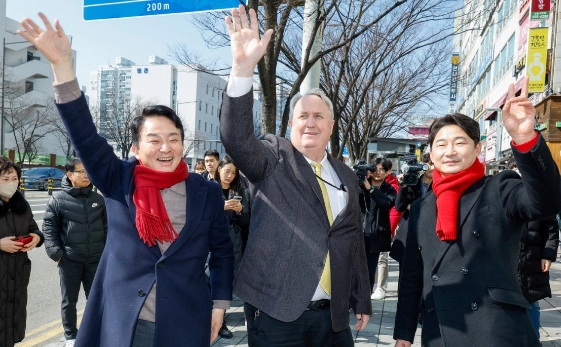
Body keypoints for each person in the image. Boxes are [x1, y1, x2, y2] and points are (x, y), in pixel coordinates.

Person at [18, 14, 234, 347]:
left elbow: (222, 252)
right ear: (135, 147)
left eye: (174, 138)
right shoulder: (118, 179)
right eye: (155, 139)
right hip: (123, 325)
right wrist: (62, 66)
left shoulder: (204, 192)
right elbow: (85, 136)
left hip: (185, 322)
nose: (166, 147)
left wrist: (220, 304)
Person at [220, 5, 372, 346]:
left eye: (319, 116)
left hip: (333, 319)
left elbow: (352, 241)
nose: (311, 122)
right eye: (303, 116)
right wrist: (242, 69)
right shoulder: (274, 157)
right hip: (278, 314)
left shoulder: (346, 176)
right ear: (290, 125)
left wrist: (361, 298)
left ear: (331, 127)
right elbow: (237, 138)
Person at [393, 76, 561, 347]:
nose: (450, 151)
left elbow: (547, 201)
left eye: (460, 143)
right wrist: (404, 332)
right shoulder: (422, 207)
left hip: (496, 331)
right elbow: (412, 273)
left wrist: (525, 138)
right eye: (441, 144)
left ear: (477, 147)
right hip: (441, 331)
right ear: (431, 154)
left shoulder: (499, 187)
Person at [42, 159, 108, 347]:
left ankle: (96, 332)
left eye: (88, 172)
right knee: (69, 301)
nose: (87, 175)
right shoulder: (58, 200)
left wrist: (106, 254)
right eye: (82, 172)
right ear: (70, 175)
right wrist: (56, 253)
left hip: (96, 260)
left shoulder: (98, 200)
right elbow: (49, 228)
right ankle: (71, 335)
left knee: (96, 300)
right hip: (69, 260)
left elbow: (108, 228)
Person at [508, 158, 560, 338]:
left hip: (533, 258)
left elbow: (551, 228)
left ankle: (532, 339)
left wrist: (548, 254)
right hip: (507, 259)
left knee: (531, 301)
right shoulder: (504, 195)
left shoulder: (540, 195)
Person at [0, 157, 44, 347]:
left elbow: (34, 228)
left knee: (11, 330)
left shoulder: (21, 204)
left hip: (17, 277)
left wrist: (36, 237)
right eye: (5, 179)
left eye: (14, 178)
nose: (11, 183)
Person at [214, 155, 251, 339]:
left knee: (229, 282)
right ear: (219, 169)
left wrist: (240, 210)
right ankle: (219, 322)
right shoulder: (210, 189)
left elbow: (246, 221)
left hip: (234, 240)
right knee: (215, 281)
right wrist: (221, 207)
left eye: (233, 173)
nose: (229, 175)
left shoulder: (239, 190)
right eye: (227, 171)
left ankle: (225, 320)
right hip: (214, 241)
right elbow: (202, 215)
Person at [359, 158, 396, 298]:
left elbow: (387, 204)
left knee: (369, 271)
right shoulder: (360, 185)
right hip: (357, 233)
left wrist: (371, 189)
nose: (378, 172)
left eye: (382, 170)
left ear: (388, 172)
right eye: (375, 168)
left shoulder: (389, 189)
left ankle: (364, 304)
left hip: (374, 236)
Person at [390, 152, 433, 265]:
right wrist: (403, 186)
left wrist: (413, 206)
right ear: (422, 165)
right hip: (409, 233)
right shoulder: (412, 182)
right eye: (429, 164)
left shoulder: (439, 186)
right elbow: (399, 207)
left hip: (430, 236)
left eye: (434, 164)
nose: (432, 168)